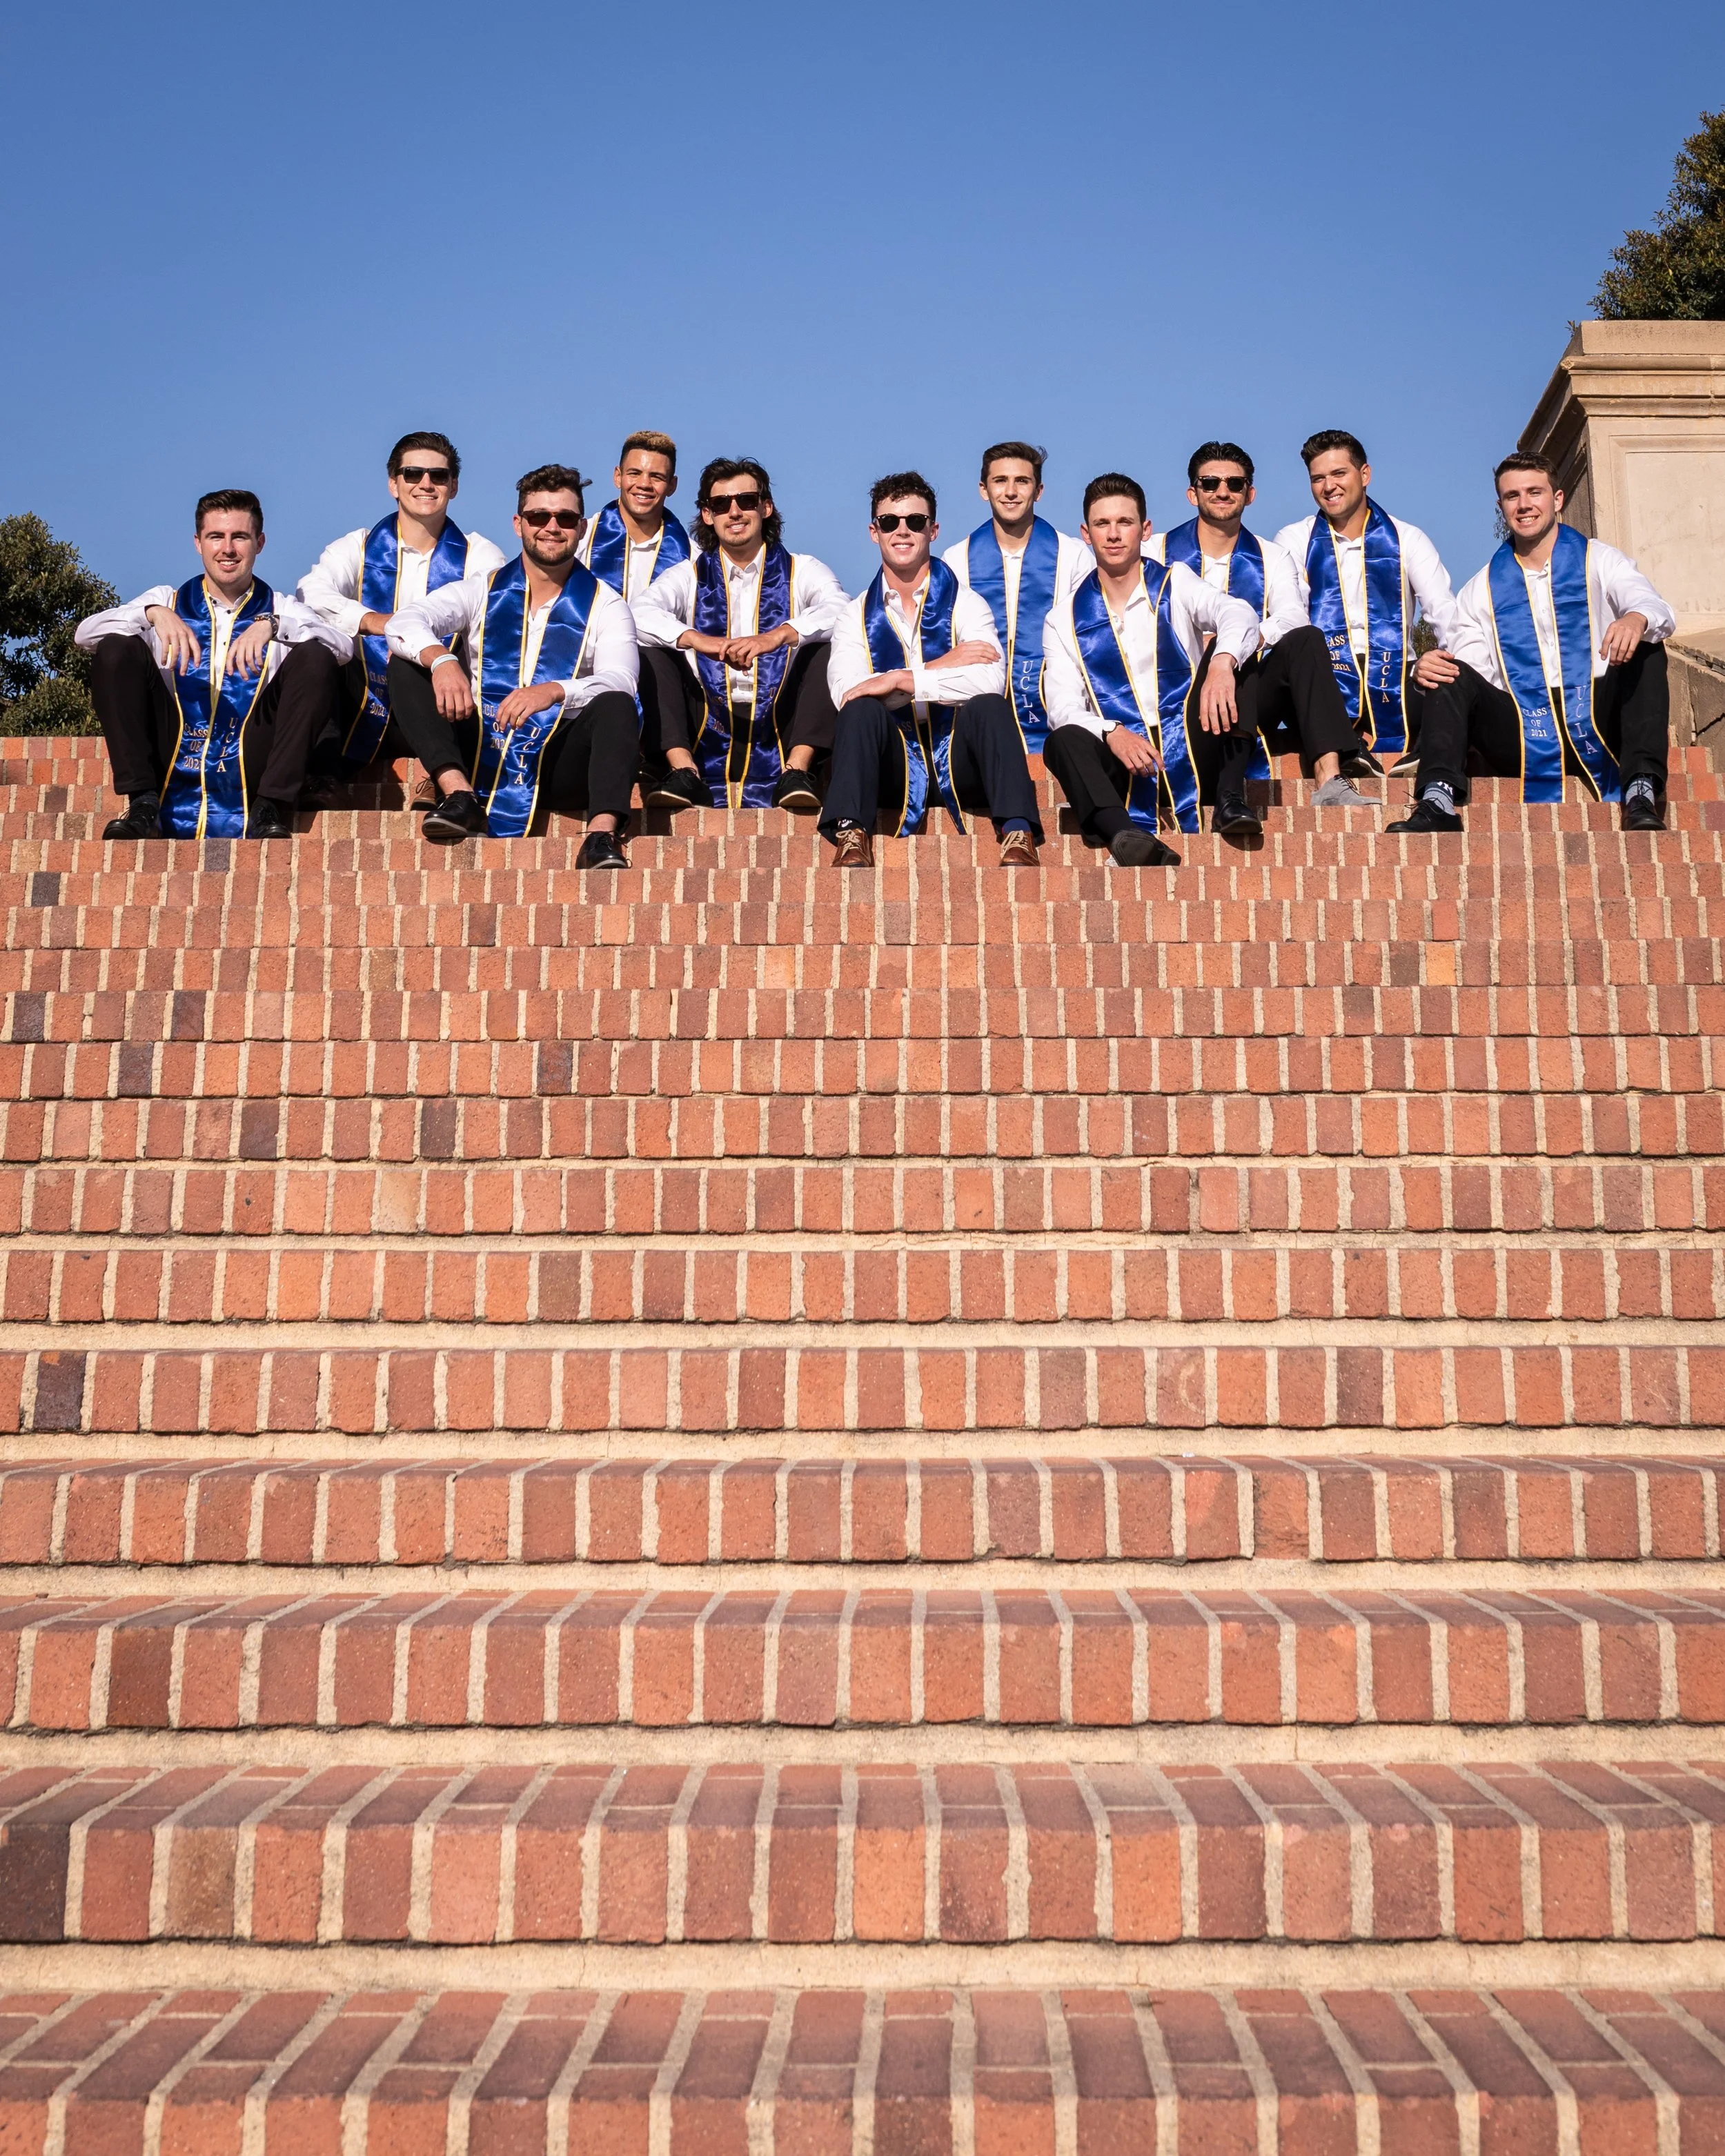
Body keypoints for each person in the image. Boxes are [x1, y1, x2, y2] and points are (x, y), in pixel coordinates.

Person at [1389, 451, 1674, 835]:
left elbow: (1655, 608)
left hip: (1599, 717)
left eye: (1534, 492)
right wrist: (1433, 668)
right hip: (1522, 732)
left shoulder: (1600, 560)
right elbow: (1473, 673)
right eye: (1512, 496)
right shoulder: (1481, 588)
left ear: (1557, 499)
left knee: (1649, 643)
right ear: (1501, 507)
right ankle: (1437, 801)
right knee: (1448, 670)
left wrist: (1635, 619)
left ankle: (1640, 792)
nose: (1524, 505)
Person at [385, 464, 640, 867]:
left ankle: (600, 837)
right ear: (519, 524)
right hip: (479, 744)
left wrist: (554, 690)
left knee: (617, 703)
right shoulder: (482, 589)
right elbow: (403, 622)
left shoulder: (606, 605)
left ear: (582, 528)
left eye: (565, 518)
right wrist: (443, 660)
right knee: (408, 665)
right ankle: (459, 796)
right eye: (539, 516)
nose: (552, 527)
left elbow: (622, 679)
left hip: (557, 759)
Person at [75, 488, 351, 841]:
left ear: (259, 543)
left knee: (316, 656)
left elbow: (342, 648)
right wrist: (152, 613)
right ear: (198, 543)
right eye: (216, 536)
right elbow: (85, 635)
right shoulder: (167, 600)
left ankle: (271, 805)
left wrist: (273, 625)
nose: (228, 549)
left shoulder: (281, 607)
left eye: (240, 537)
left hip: (252, 753)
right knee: (115, 647)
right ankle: (142, 802)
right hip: (173, 746)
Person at [1147, 440, 1379, 833]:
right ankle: (1229, 795)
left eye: (1235, 484)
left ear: (1250, 494)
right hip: (1176, 702)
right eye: (1210, 483)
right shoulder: (1155, 553)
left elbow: (1292, 616)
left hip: (1247, 698)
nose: (1223, 491)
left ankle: (1329, 780)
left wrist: (1237, 643)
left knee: (1302, 638)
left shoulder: (1272, 557)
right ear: (1193, 493)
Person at [820, 471, 1041, 869]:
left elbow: (989, 679)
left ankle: (1017, 831)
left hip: (961, 760)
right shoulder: (854, 615)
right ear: (874, 532)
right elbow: (847, 692)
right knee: (860, 711)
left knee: (989, 705)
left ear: (933, 530)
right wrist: (939, 667)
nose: (902, 531)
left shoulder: (967, 604)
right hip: (892, 767)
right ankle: (852, 832)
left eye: (915, 521)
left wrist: (898, 679)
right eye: (890, 521)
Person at [1042, 473, 1259, 869]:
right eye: (1102, 524)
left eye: (1124, 522)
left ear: (1145, 530)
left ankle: (1230, 796)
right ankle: (1126, 835)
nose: (1113, 534)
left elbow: (1238, 612)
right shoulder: (1063, 619)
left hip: (1194, 744)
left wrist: (1221, 663)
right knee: (1063, 740)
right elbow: (1062, 708)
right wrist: (1112, 731)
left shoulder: (1176, 582)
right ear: (1086, 534)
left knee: (1239, 653)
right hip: (1121, 767)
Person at [630, 457, 846, 813]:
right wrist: (698, 640)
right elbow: (638, 614)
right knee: (652, 652)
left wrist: (778, 635)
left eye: (746, 501)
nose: (734, 512)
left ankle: (797, 770)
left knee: (826, 647)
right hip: (706, 715)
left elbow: (841, 610)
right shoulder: (688, 574)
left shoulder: (803, 568)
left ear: (766, 507)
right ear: (707, 515)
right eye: (721, 504)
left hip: (781, 715)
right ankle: (684, 770)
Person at [296, 431, 504, 780]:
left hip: (443, 707)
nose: (426, 484)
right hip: (362, 706)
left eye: (438, 475)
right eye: (413, 474)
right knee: (315, 652)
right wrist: (375, 620)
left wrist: (428, 650)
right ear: (394, 484)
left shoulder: (479, 555)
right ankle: (319, 778)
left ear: (453, 487)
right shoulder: (359, 547)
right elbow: (311, 593)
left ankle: (446, 778)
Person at [1273, 430, 1458, 771]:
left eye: (1339, 473)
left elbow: (1445, 614)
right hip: (1323, 678)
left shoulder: (1408, 538)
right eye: (1318, 478)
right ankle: (1348, 748)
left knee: (1450, 678)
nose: (1329, 486)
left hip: (1397, 675)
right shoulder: (1294, 539)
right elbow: (1291, 614)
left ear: (1365, 474)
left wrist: (1445, 661)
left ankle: (1423, 754)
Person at [941, 441, 1092, 755]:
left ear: (1039, 491)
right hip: (978, 725)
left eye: (1022, 481)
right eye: (1000, 481)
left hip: (1058, 719)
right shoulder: (956, 561)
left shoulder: (1074, 556)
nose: (1010, 492)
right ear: (984, 490)